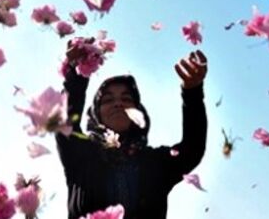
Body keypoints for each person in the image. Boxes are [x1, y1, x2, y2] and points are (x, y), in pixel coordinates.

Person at [55, 40, 208, 219]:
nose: (118, 103)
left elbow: (192, 149)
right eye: (108, 100)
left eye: (126, 99)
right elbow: (65, 122)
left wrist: (192, 92)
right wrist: (79, 72)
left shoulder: (155, 163)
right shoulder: (81, 154)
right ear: (96, 114)